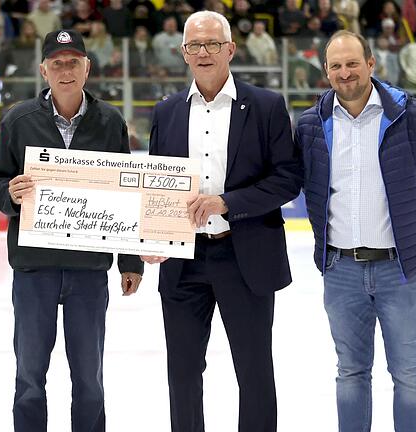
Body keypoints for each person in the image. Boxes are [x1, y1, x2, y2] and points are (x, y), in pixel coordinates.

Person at [143, 11, 302, 432]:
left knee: (253, 372)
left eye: (213, 43)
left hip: (244, 255)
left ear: (230, 49)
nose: (204, 52)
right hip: (183, 260)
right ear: (183, 53)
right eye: (195, 45)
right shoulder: (167, 111)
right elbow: (156, 185)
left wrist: (227, 203)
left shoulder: (266, 106)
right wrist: (151, 234)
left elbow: (287, 178)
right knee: (182, 372)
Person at [294, 30, 416, 432]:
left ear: (371, 63)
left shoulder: (412, 115)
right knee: (350, 372)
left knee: (409, 373)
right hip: (341, 270)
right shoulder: (311, 125)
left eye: (352, 63)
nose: (345, 72)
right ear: (326, 71)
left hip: (400, 270)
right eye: (335, 66)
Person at [0, 29, 144, 432]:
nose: (64, 70)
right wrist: (10, 194)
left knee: (90, 381)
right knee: (29, 379)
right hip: (34, 269)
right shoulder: (18, 120)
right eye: (56, 63)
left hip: (88, 270)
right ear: (44, 69)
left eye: (72, 62)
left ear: (86, 68)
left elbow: (125, 192)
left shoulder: (110, 121)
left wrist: (130, 261)